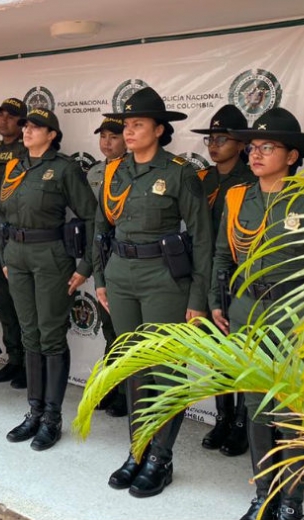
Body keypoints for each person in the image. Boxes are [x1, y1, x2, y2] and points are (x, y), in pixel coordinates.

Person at [92, 87, 212, 498]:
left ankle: (161, 458)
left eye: (138, 124)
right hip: (121, 275)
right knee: (133, 368)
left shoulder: (179, 173)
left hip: (164, 279)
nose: (128, 132)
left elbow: (202, 238)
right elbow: (100, 229)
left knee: (165, 371)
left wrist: (198, 298)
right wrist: (101, 278)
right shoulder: (114, 170)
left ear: (159, 130)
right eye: (126, 125)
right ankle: (137, 451)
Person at [212, 107, 304, 520]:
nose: (256, 154)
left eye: (268, 147)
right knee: (257, 408)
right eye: (253, 147)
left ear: (293, 156)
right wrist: (215, 300)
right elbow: (222, 255)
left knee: (291, 411)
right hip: (247, 312)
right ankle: (263, 495)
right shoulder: (237, 196)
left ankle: (291, 503)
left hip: (295, 313)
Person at [0, 107, 96, 450]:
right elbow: (2, 217)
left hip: (51, 256)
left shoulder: (65, 169)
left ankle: (52, 418)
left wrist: (85, 266)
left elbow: (92, 217)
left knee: (51, 337)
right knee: (29, 334)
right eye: (25, 125)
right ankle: (34, 412)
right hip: (18, 257)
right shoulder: (14, 166)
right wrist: (4, 255)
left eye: (36, 127)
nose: (27, 130)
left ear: (52, 134)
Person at [189, 104, 255, 456]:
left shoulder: (250, 181)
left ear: (242, 144)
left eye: (222, 139)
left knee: (243, 355)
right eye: (211, 139)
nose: (213, 145)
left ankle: (243, 424)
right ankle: (223, 418)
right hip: (211, 275)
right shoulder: (204, 180)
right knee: (217, 354)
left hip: (243, 277)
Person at [85, 116, 128, 418]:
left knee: (127, 332)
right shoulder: (94, 173)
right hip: (102, 256)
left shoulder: (133, 170)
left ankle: (127, 392)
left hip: (127, 256)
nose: (107, 142)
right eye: (103, 136)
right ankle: (111, 386)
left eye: (114, 136)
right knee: (111, 331)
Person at [0, 97, 27, 388]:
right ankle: (14, 359)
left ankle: (28, 362)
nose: (3, 119)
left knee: (24, 303)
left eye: (10, 116)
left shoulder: (27, 150)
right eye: (0, 114)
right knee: (4, 300)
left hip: (20, 238)